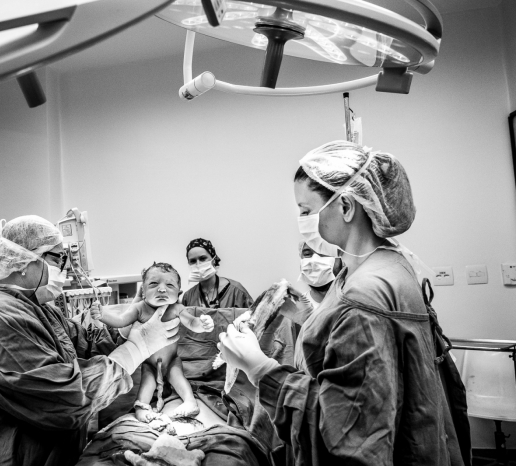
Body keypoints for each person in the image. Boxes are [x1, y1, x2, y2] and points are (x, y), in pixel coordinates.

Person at [218, 141, 470, 465]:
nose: (302, 221)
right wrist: (313, 318)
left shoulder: (364, 298)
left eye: (306, 210)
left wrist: (259, 368)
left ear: (347, 206)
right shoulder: (380, 262)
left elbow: (346, 435)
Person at [0, 215, 181, 466]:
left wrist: (131, 328)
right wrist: (136, 348)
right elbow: (65, 398)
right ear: (23, 260)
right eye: (57, 258)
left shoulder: (38, 309)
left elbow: (85, 345)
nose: (62, 268)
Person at [90, 262, 215, 422]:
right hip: (148, 362)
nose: (162, 289)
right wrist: (103, 315)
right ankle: (142, 408)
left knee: (178, 377)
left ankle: (190, 402)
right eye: (154, 284)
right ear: (143, 291)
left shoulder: (176, 308)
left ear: (179, 292)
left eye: (169, 285)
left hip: (171, 361)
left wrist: (202, 324)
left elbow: (191, 323)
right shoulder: (140, 308)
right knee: (146, 383)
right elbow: (121, 320)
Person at [182, 238, 253, 309]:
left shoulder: (236, 291)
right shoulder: (188, 297)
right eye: (193, 261)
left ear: (213, 260)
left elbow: (255, 317)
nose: (198, 264)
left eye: (203, 258)